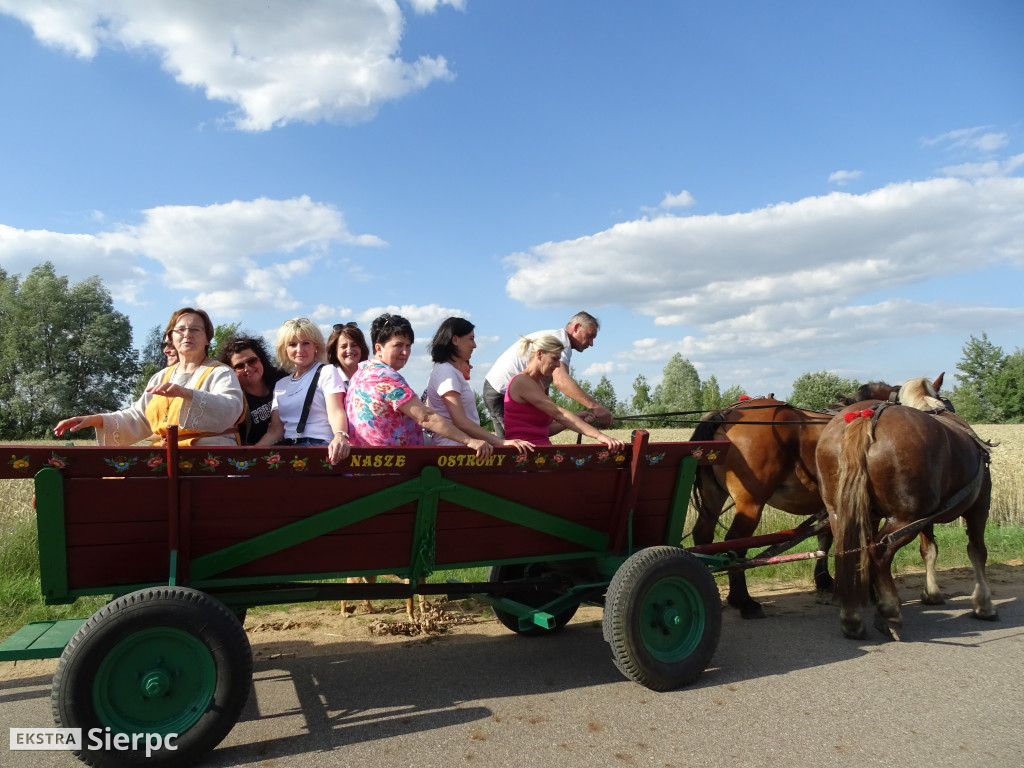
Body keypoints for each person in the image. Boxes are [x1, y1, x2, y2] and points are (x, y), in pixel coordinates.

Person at [54, 307, 243, 446]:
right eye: (180, 330)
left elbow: (231, 407)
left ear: (207, 339)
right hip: (165, 455)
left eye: (195, 330)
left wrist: (187, 394)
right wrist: (97, 419)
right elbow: (139, 417)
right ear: (171, 338)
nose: (187, 335)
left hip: (211, 458)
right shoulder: (161, 377)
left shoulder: (220, 372)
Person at [345, 313, 492, 458]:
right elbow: (425, 417)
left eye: (408, 346)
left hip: (364, 462)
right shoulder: (385, 377)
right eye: (398, 345)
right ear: (378, 348)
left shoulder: (360, 373)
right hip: (391, 465)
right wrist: (469, 440)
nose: (405, 352)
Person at [483, 311, 613, 438]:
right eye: (590, 336)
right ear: (577, 327)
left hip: (500, 388)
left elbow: (545, 424)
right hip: (500, 390)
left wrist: (574, 418)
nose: (591, 343)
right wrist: (595, 407)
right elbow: (561, 380)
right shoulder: (560, 341)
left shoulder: (557, 342)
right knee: (511, 444)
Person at [424, 317, 534, 453]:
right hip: (454, 449)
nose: (474, 345)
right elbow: (461, 421)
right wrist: (501, 441)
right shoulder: (446, 371)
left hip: (457, 447)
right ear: (455, 340)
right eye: (471, 338)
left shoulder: (447, 370)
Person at [254, 318, 351, 465]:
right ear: (285, 349)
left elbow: (336, 411)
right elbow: (275, 431)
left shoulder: (327, 371)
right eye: (292, 344)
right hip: (288, 451)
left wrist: (340, 435)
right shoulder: (281, 385)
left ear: (315, 346)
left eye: (306, 343)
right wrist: (251, 453)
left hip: (319, 447)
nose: (299, 350)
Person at [504, 335, 624, 451]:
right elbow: (558, 414)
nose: (557, 365)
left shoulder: (540, 384)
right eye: (554, 359)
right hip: (525, 454)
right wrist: (599, 436)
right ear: (539, 354)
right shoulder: (522, 381)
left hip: (540, 451)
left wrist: (576, 419)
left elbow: (546, 430)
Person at [218, 335, 287, 445]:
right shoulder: (233, 400)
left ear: (261, 359)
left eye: (252, 361)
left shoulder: (281, 378)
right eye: (239, 366)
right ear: (231, 372)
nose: (248, 368)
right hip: (257, 455)